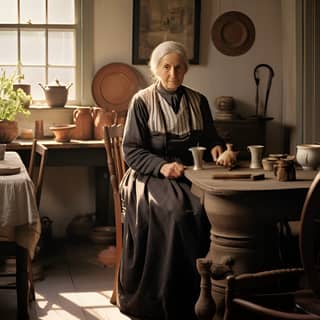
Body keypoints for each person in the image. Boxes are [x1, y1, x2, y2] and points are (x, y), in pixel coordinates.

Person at [118, 41, 235, 320]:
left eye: (178, 67)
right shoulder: (142, 101)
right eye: (166, 67)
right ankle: (169, 295)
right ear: (156, 69)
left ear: (186, 69)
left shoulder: (198, 100)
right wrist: (162, 167)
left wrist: (219, 147)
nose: (173, 73)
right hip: (148, 174)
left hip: (190, 172)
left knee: (213, 207)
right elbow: (132, 150)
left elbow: (210, 138)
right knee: (178, 212)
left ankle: (206, 289)